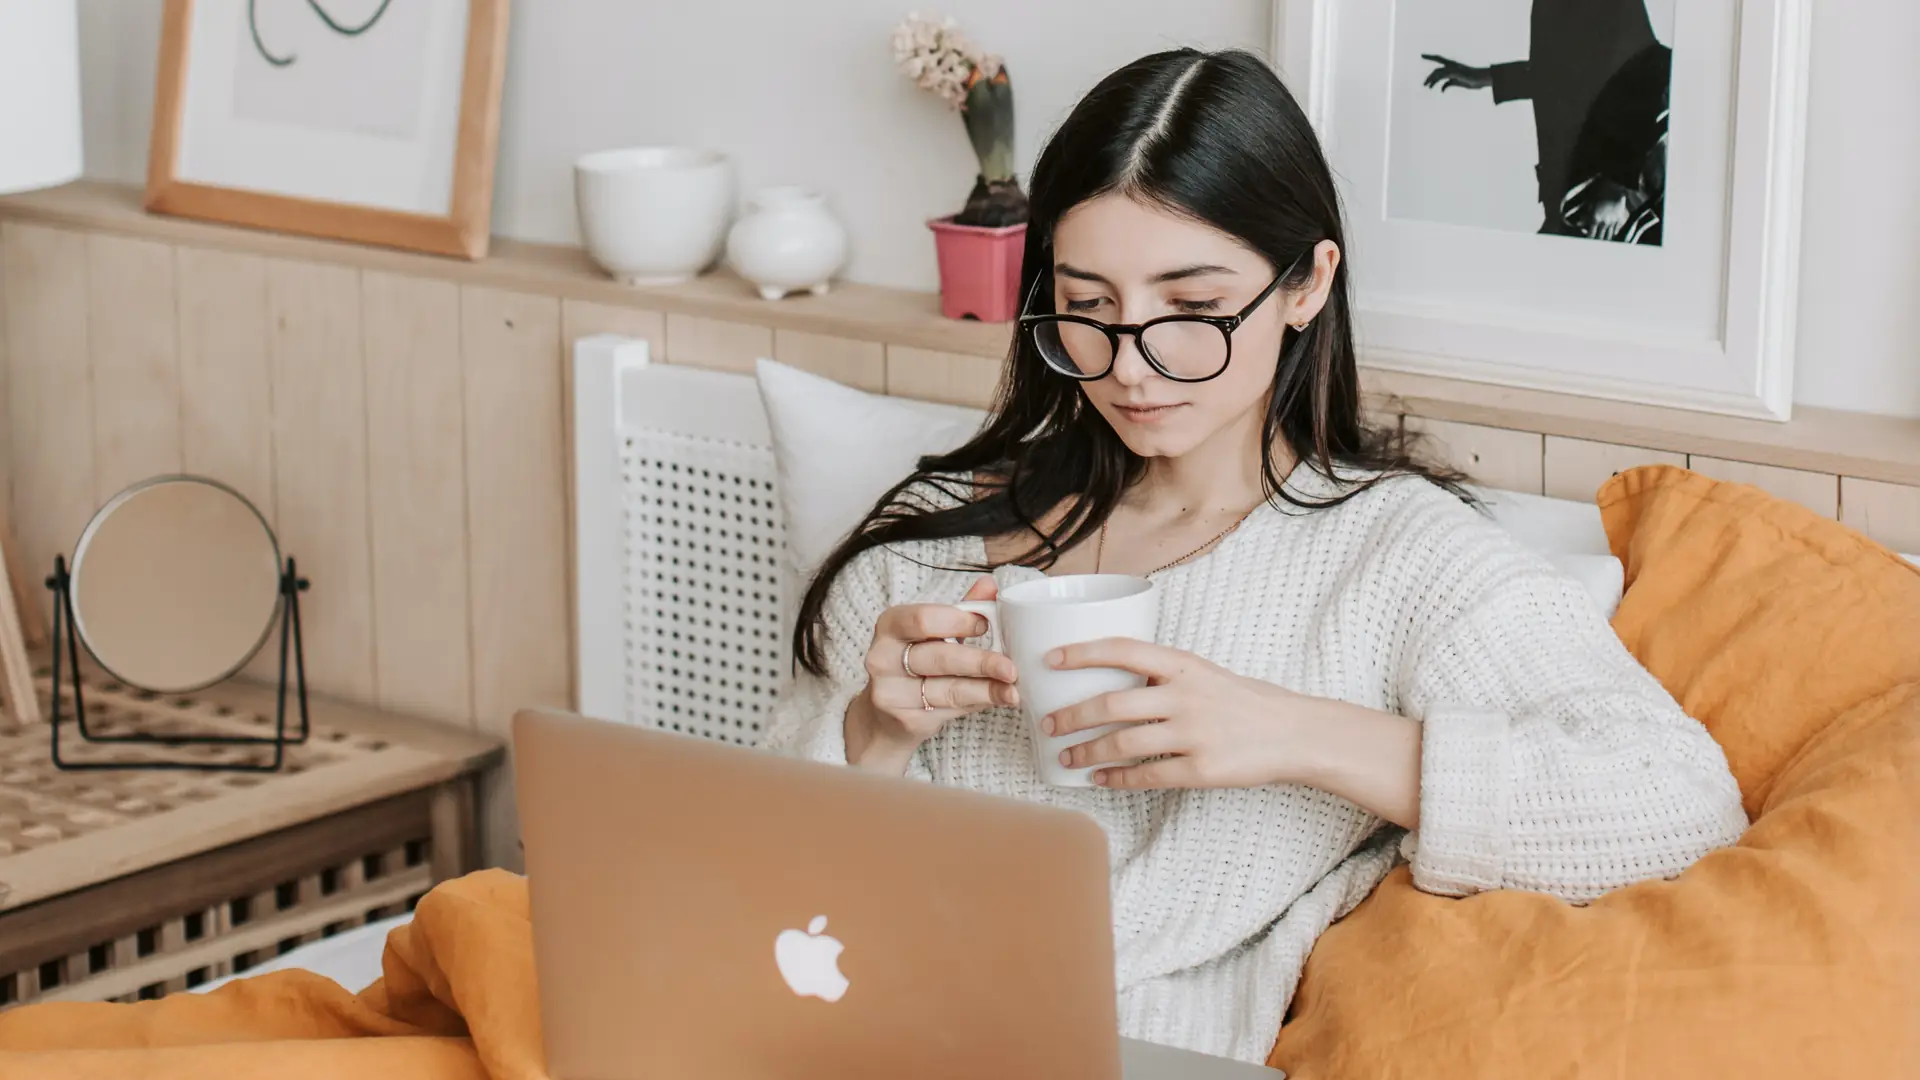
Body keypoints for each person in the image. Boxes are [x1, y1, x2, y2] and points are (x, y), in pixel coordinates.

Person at [760, 48, 1745, 1064]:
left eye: (1191, 312)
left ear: (1307, 285)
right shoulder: (925, 550)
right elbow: (759, 886)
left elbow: (1679, 802)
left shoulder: (1394, 559)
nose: (1133, 365)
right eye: (1090, 309)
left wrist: (1290, 733)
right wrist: (872, 734)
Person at [1421, 0, 1668, 238]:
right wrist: (1486, 77)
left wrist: (1616, 186)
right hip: (1576, 194)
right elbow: (1569, 69)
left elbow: (1647, 66)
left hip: (1611, 197)